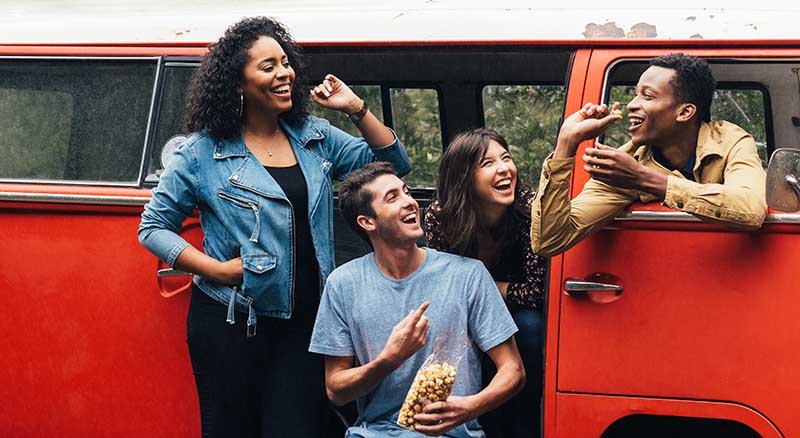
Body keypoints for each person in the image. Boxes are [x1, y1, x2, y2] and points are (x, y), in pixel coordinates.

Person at [137, 16, 410, 438]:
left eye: (285, 62)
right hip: (229, 322)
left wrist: (355, 108)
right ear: (238, 82)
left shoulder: (313, 135)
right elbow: (153, 227)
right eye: (268, 67)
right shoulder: (201, 153)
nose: (284, 73)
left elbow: (392, 164)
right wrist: (216, 270)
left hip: (305, 323)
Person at [309, 162, 525, 438]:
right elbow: (336, 390)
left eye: (407, 192)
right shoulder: (342, 284)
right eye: (393, 197)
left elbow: (513, 370)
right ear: (368, 222)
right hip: (375, 433)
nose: (410, 202)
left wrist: (469, 408)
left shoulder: (467, 274)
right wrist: (389, 359)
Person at [531, 53, 767, 257]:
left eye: (647, 96)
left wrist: (644, 180)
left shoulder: (729, 140)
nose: (632, 104)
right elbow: (550, 240)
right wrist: (565, 144)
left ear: (685, 112)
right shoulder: (626, 163)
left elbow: (751, 209)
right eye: (635, 94)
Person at [424, 128, 546, 437]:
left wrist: (491, 287)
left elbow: (537, 292)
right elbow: (442, 284)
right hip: (465, 310)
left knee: (530, 329)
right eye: (487, 163)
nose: (504, 169)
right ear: (464, 177)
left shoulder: (529, 211)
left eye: (506, 158)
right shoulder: (442, 216)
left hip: (517, 312)